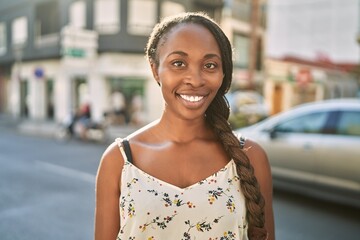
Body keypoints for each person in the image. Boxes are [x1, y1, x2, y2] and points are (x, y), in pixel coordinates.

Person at [95, 12, 275, 240]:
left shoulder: (252, 158)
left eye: (210, 65)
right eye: (178, 63)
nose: (195, 79)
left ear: (222, 74)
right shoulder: (119, 161)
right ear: (154, 70)